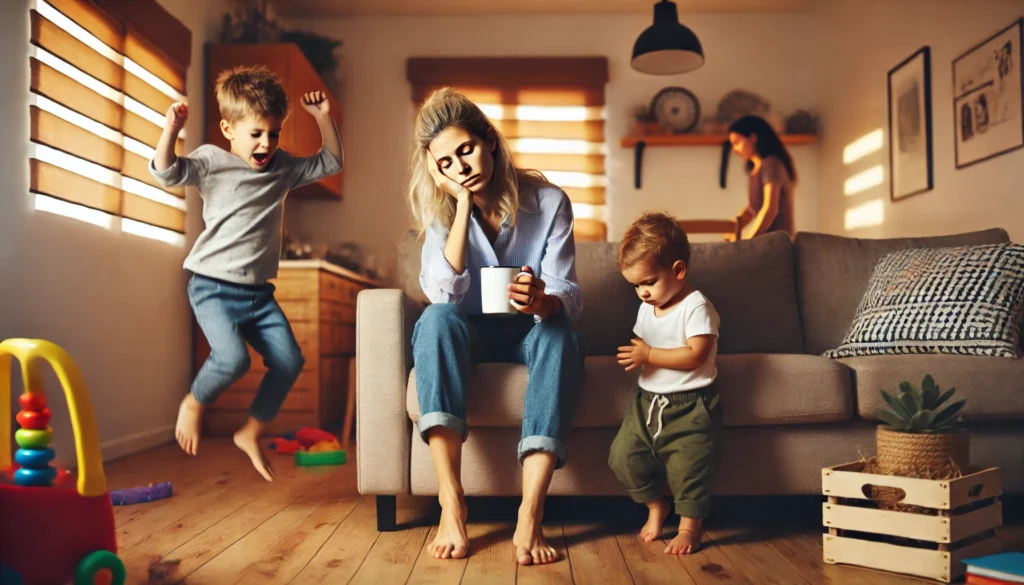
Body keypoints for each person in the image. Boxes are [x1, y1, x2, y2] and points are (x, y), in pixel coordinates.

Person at [409, 87, 585, 565]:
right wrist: (462, 208)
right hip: (468, 336)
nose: (461, 167)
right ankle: (451, 501)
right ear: (436, 170)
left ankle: (531, 511)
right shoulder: (441, 215)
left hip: (529, 331)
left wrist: (543, 301)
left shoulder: (549, 203)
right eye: (445, 162)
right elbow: (443, 294)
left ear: (489, 140)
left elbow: (567, 296)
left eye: (465, 149)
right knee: (437, 319)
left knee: (561, 333)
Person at [150, 65, 343, 481]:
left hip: (258, 295)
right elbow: (166, 173)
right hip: (212, 287)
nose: (266, 143)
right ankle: (193, 402)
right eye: (256, 133)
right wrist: (171, 129)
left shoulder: (283, 168)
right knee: (233, 359)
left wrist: (324, 117)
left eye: (273, 134)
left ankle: (250, 430)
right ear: (228, 129)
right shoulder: (209, 161)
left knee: (290, 361)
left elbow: (331, 162)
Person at [609, 212, 722, 555]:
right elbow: (645, 346)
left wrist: (649, 355)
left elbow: (696, 355)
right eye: (636, 286)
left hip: (691, 404)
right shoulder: (648, 308)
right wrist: (638, 356)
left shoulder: (695, 306)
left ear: (677, 271)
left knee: (690, 467)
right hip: (648, 401)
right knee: (623, 456)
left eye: (648, 282)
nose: (642, 292)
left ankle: (690, 528)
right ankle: (654, 504)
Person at [720, 115, 797, 240]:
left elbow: (770, 209)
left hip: (779, 244)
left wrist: (749, 242)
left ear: (753, 138)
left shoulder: (771, 164)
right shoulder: (756, 170)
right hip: (768, 242)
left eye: (737, 143)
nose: (734, 150)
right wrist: (729, 233)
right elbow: (752, 210)